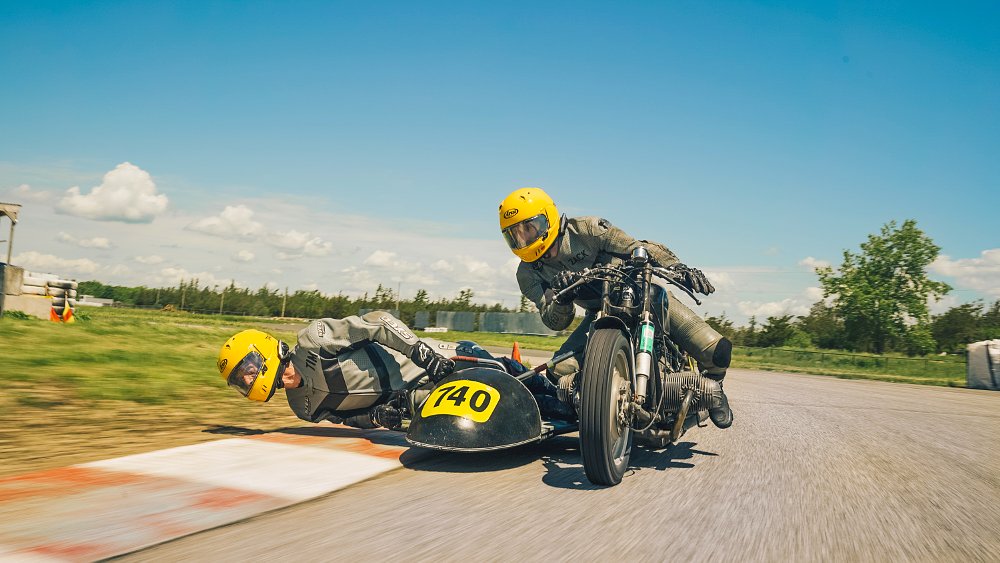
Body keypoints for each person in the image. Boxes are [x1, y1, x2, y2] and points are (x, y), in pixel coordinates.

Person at [498, 187, 734, 428]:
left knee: (718, 351)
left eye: (528, 228)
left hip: (643, 295)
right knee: (558, 371)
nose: (523, 238)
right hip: (599, 313)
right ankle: (597, 401)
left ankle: (715, 390)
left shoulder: (586, 229)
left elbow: (636, 247)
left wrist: (678, 266)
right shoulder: (528, 273)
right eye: (515, 234)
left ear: (547, 218)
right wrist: (562, 300)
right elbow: (555, 321)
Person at [217, 311, 569, 430]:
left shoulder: (314, 339)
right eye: (241, 381)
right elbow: (343, 419)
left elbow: (378, 323)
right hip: (411, 398)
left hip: (429, 361)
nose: (248, 380)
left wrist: (421, 352)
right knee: (496, 402)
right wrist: (376, 419)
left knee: (499, 371)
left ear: (261, 351)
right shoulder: (302, 409)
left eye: (246, 370)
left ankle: (567, 394)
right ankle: (554, 407)